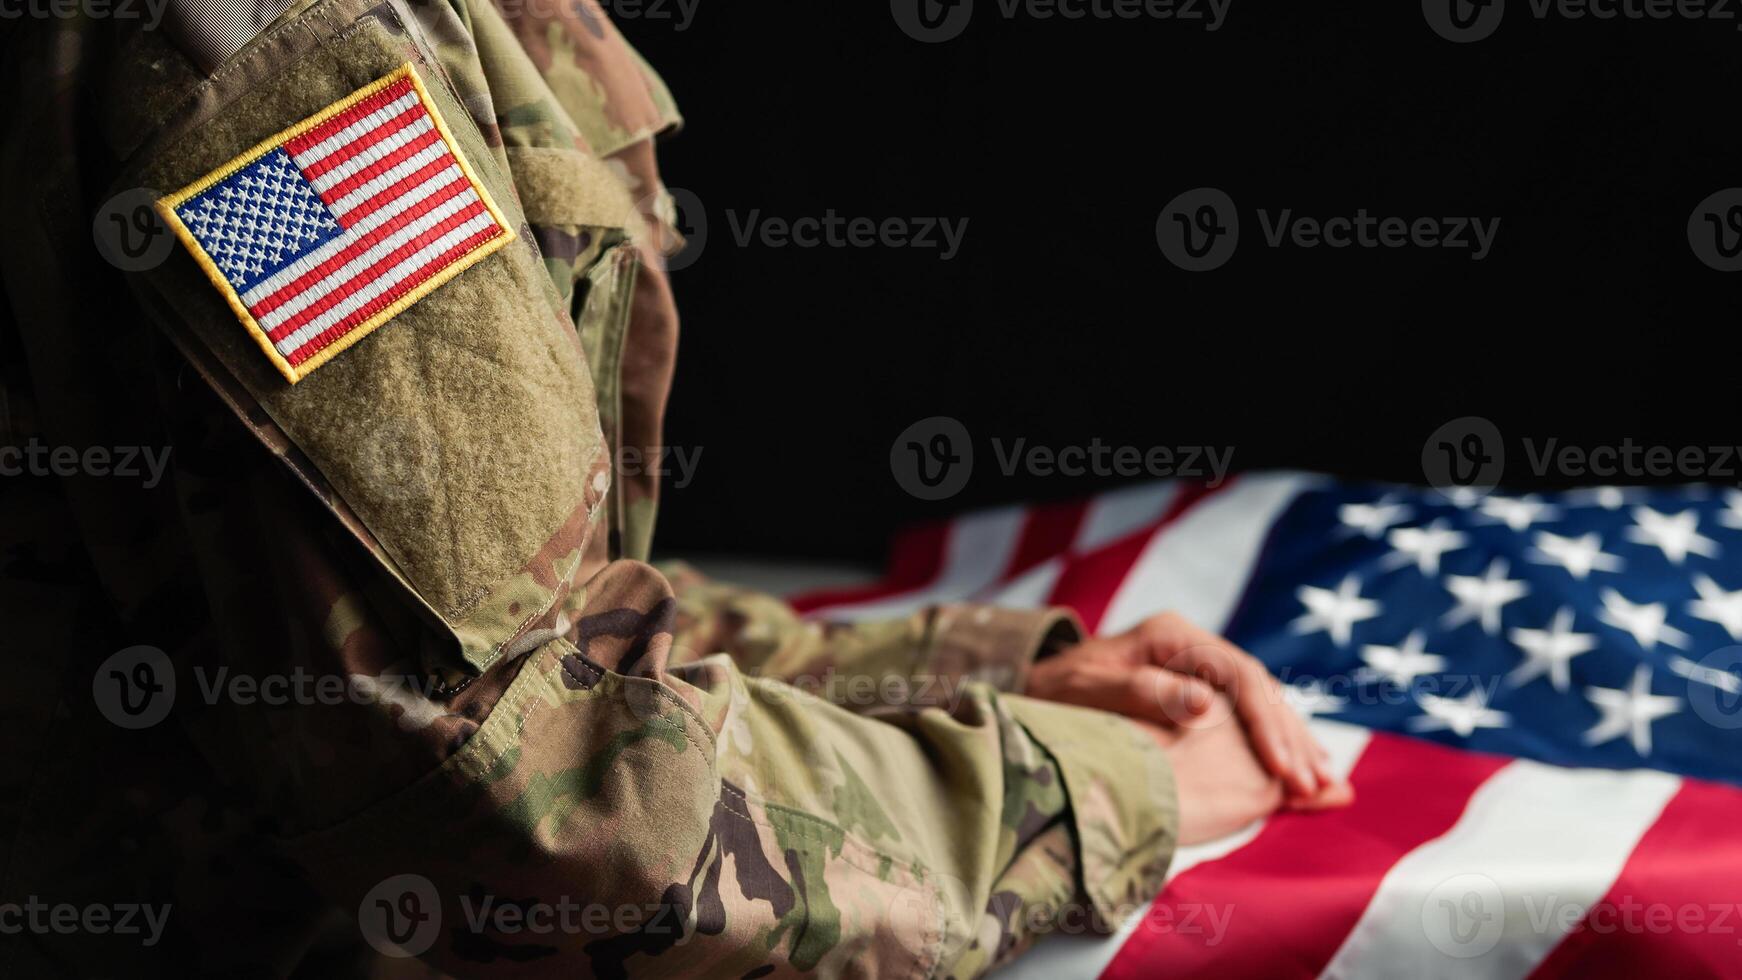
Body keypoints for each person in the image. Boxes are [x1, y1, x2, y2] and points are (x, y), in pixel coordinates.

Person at [0, 1, 1348, 975]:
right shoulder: (289, 57)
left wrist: (944, 673)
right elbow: (526, 789)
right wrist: (1080, 792)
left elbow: (510, 608)